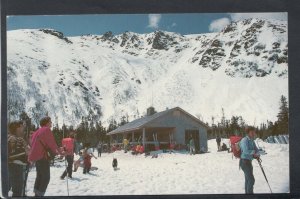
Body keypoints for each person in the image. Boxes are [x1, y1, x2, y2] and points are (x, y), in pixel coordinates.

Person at [28, 116, 64, 197]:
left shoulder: (37, 131)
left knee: (39, 176)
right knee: (46, 177)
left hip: (36, 157)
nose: (51, 123)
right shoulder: (46, 130)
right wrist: (60, 152)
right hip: (43, 156)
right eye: (50, 122)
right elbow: (52, 144)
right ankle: (39, 195)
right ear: (47, 122)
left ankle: (36, 194)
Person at [7, 121, 30, 197]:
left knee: (16, 190)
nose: (24, 128)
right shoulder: (13, 139)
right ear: (18, 128)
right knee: (18, 192)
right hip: (17, 167)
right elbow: (23, 153)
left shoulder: (13, 138)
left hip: (16, 167)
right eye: (22, 126)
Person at [239, 126, 260, 194]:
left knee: (248, 180)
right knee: (251, 180)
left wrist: (258, 153)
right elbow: (245, 151)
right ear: (248, 133)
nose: (253, 134)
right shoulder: (244, 140)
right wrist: (254, 153)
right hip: (244, 162)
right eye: (252, 132)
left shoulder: (252, 140)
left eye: (254, 132)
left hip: (249, 162)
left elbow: (256, 149)